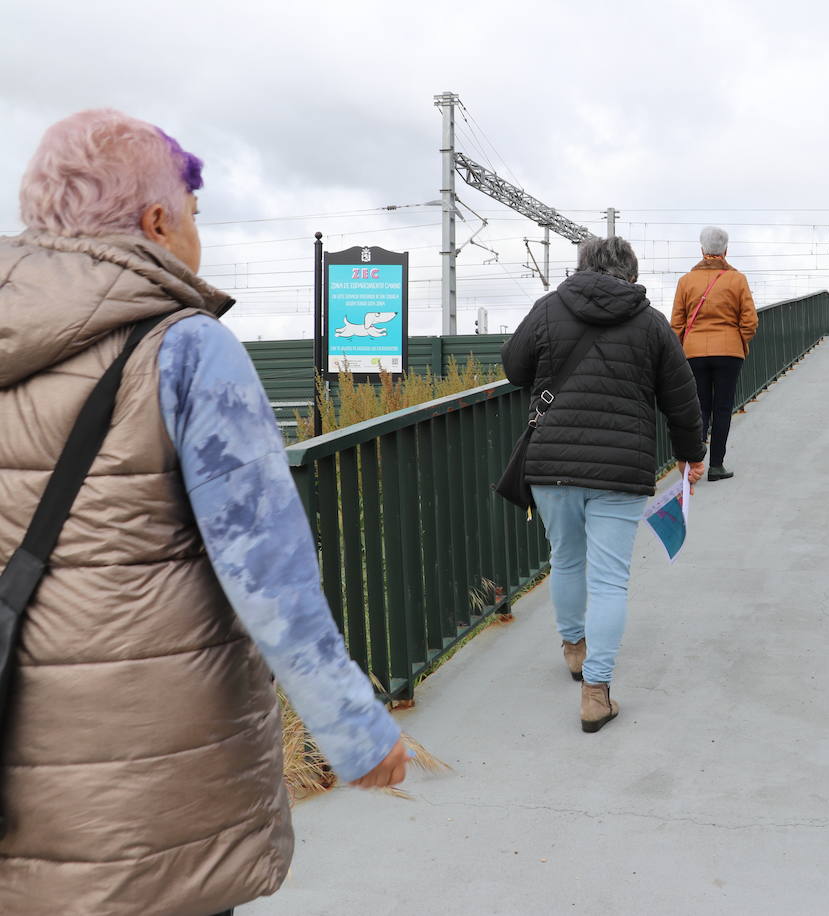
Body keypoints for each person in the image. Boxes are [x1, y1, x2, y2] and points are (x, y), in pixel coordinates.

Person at [0, 109, 408, 916]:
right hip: (152, 784)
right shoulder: (183, 346)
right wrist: (355, 730)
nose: (196, 239)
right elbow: (267, 569)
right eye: (194, 219)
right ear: (158, 222)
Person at [502, 237, 705, 732]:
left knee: (566, 561)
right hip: (620, 468)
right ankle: (596, 693)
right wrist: (691, 455)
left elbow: (514, 367)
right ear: (631, 274)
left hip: (551, 463)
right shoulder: (651, 323)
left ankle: (574, 649)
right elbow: (680, 397)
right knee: (610, 579)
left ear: (582, 266)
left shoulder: (550, 308)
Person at [670, 226, 759, 481]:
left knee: (699, 408)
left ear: (701, 250)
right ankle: (716, 466)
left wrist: (680, 349)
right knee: (722, 408)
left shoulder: (686, 281)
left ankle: (694, 464)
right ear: (726, 250)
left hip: (694, 353)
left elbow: (676, 323)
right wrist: (738, 340)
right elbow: (750, 321)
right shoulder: (737, 279)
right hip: (729, 353)